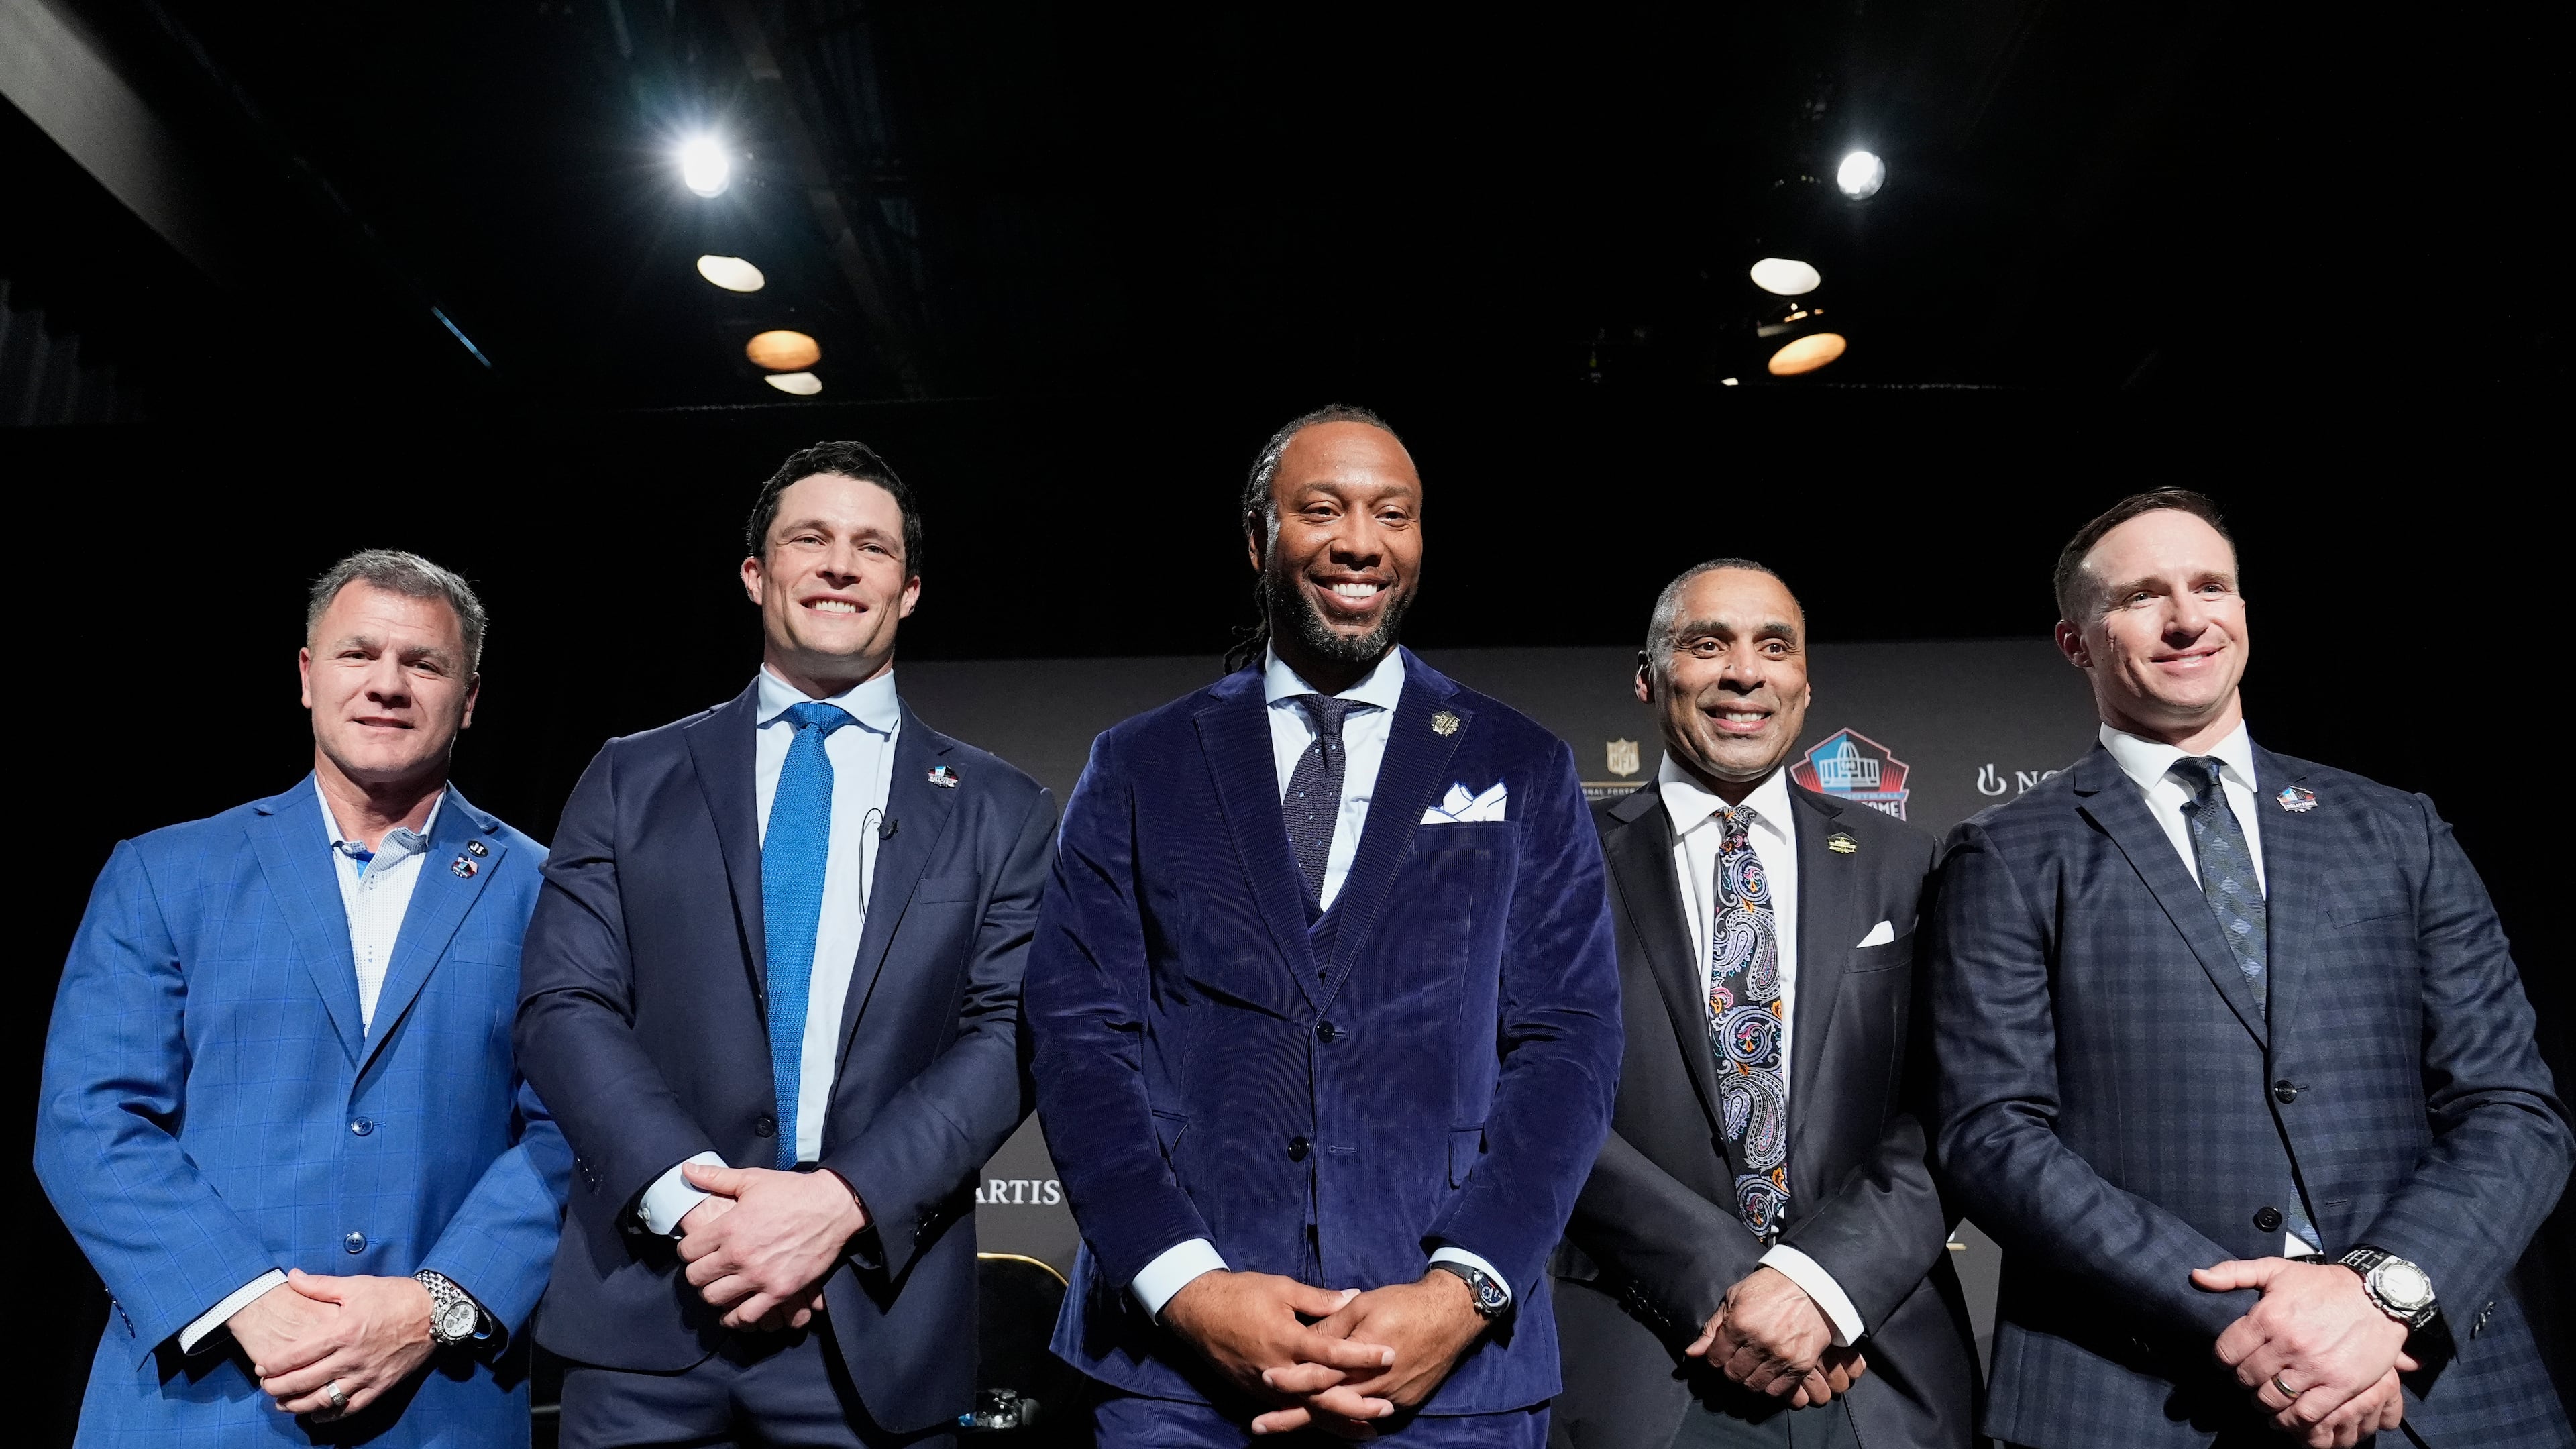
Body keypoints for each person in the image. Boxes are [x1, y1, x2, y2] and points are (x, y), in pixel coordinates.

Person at [1023, 404, 1623, 1445]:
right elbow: (1079, 1039)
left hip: (1454, 1375)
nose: (1360, 541)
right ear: (1259, 540)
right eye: (1322, 509)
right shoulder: (1137, 764)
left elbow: (1568, 1044)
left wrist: (1462, 1291)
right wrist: (1187, 1288)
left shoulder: (1522, 761)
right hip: (1175, 1376)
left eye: (1394, 513)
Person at [1928, 488, 2575, 1449]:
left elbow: (2512, 1106)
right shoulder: (2010, 854)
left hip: (2433, 1390)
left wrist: (2378, 1297)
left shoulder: (2397, 830)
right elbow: (1993, 1134)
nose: (2188, 618)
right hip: (2141, 1397)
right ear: (2076, 643)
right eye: (2144, 597)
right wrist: (2259, 1324)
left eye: (2210, 587)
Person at [515, 441, 1055, 1448]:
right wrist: (699, 1209)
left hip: (873, 1328)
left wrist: (841, 1205)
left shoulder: (1003, 811)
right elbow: (564, 1007)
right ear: (758, 574)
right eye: (810, 539)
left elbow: (1007, 1037)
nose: (841, 565)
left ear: (910, 589)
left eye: (872, 547)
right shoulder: (632, 778)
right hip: (652, 1312)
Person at [36, 550, 568, 1446]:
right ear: (307, 676)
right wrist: (245, 1300)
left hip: (437, 1405)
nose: (388, 685)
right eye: (360, 655)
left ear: (470, 698)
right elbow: (91, 1120)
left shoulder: (552, 892)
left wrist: (429, 1309)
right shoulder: (165, 874)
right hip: (197, 1405)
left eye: (424, 664)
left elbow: (572, 1132)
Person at [1552, 559, 1980, 1449]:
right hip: (1643, 1358)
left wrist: (1821, 1285)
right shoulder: (1559, 861)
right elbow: (1536, 1098)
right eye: (1706, 645)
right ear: (1648, 677)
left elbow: (1958, 1108)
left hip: (1875, 1362)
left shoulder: (1909, 862)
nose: (1743, 672)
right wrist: (1726, 1282)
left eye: (1772, 647)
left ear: (1803, 682)